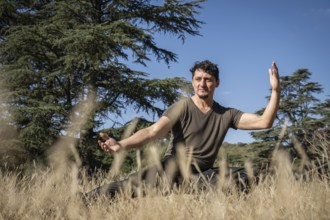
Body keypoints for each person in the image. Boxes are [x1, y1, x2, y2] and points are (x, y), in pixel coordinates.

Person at [84, 60, 280, 200]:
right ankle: (80, 200)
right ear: (193, 81)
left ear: (217, 83)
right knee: (125, 188)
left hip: (203, 176)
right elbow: (153, 131)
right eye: (198, 79)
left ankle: (193, 199)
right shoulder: (183, 106)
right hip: (172, 169)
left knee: (246, 175)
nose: (202, 84)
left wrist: (275, 91)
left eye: (208, 79)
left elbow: (264, 122)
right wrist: (122, 144)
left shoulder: (227, 114)